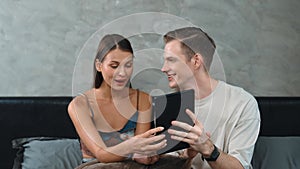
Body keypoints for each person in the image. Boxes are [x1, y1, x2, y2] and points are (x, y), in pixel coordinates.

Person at [161, 27, 261, 169]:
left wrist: (208, 149)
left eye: (171, 60)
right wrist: (186, 157)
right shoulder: (170, 105)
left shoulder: (243, 103)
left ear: (196, 61)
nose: (163, 68)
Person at [68, 34, 167, 166]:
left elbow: (140, 149)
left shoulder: (142, 99)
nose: (122, 73)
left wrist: (143, 154)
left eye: (128, 65)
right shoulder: (80, 105)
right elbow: (101, 154)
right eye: (114, 66)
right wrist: (132, 147)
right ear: (99, 65)